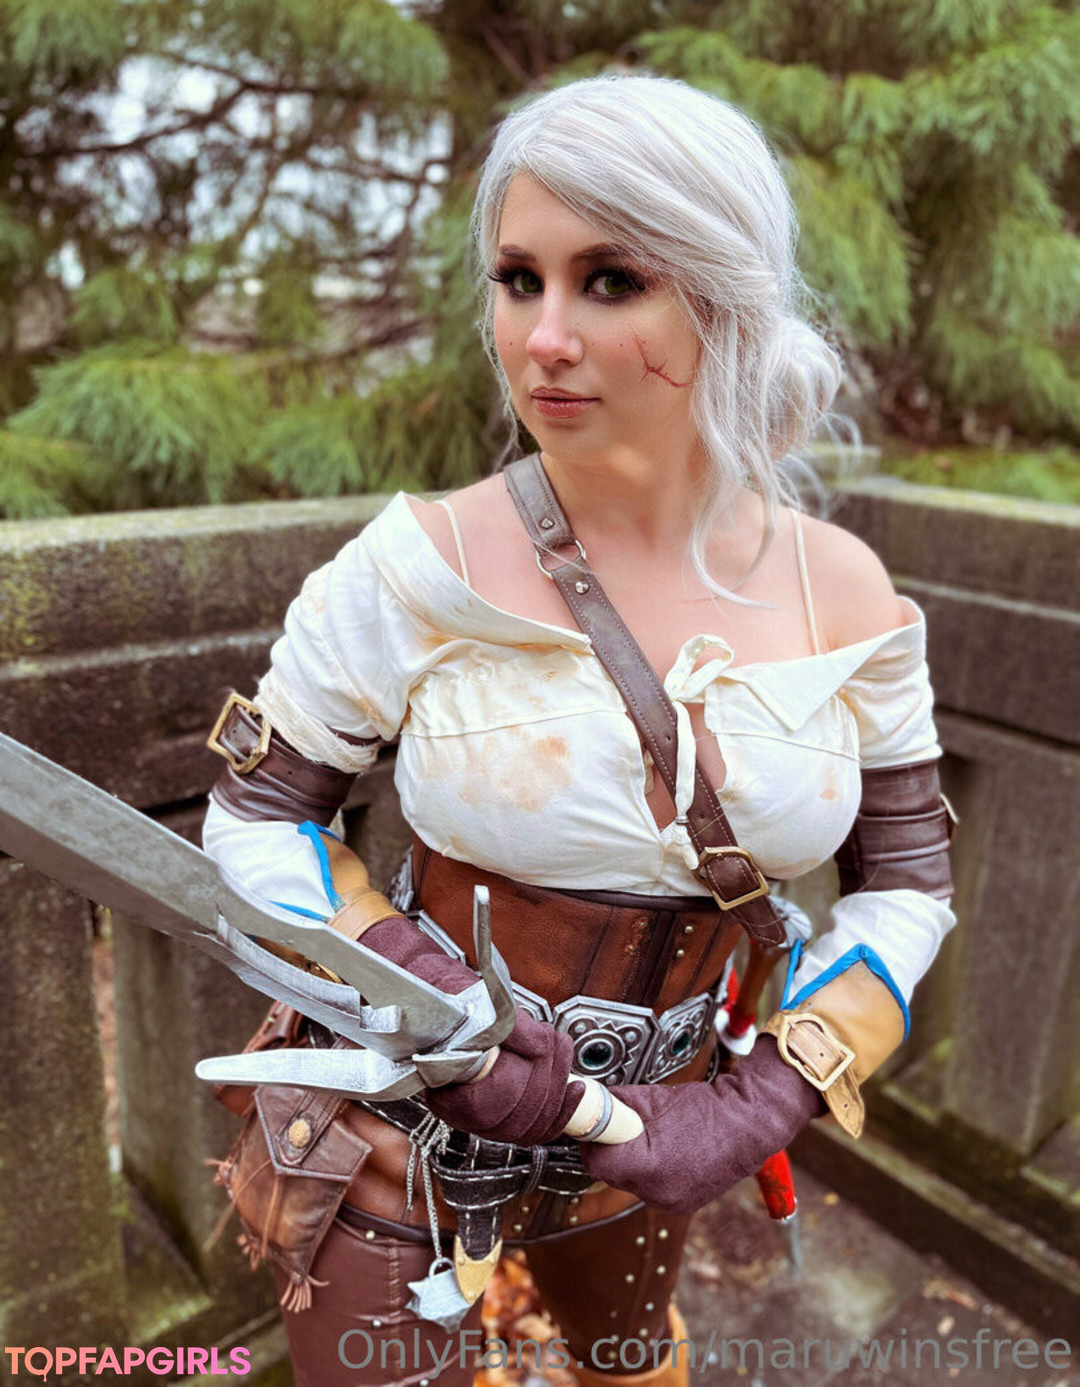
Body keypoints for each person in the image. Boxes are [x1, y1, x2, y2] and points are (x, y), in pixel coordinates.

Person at [202, 74, 955, 1387]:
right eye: (518, 280)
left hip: (655, 1131)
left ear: (722, 298)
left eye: (611, 281)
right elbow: (260, 819)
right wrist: (424, 994)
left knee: (633, 1368)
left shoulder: (845, 591)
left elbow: (908, 885)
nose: (543, 336)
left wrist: (767, 1096)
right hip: (403, 1123)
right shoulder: (416, 566)